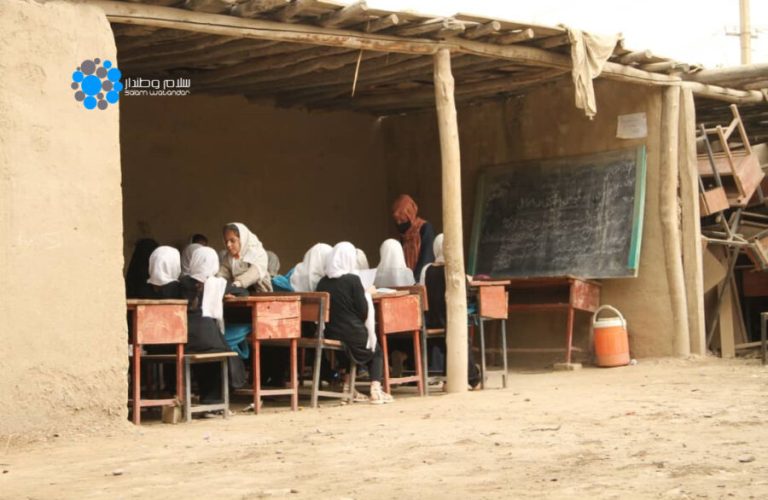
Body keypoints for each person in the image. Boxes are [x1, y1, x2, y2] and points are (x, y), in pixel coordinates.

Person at [316, 242, 394, 404]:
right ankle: (375, 389)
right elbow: (363, 311)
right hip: (353, 332)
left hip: (331, 332)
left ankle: (348, 387)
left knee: (348, 350)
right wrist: (366, 293)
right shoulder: (353, 280)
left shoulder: (322, 283)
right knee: (376, 350)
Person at [181, 246, 246, 404]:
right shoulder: (217, 284)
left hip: (183, 337)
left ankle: (208, 398)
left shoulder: (181, 283)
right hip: (206, 337)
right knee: (220, 351)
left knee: (210, 351)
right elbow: (244, 293)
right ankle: (213, 400)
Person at [421, 234, 481, 388]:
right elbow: (465, 294)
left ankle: (452, 378)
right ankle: (473, 378)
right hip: (448, 321)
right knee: (462, 337)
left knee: (451, 339)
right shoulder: (453, 269)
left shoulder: (425, 270)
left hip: (428, 321)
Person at [217, 222, 272, 292]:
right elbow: (222, 274)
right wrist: (217, 284)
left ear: (242, 239)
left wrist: (237, 284)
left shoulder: (258, 253)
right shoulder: (228, 258)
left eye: (232, 241)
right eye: (226, 241)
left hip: (260, 292)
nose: (228, 245)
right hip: (238, 292)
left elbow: (253, 274)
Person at [392, 194, 436, 282]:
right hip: (407, 282)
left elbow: (427, 257)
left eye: (403, 220)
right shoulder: (402, 235)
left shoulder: (425, 228)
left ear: (410, 215)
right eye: (397, 221)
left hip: (422, 280)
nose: (399, 224)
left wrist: (414, 280)